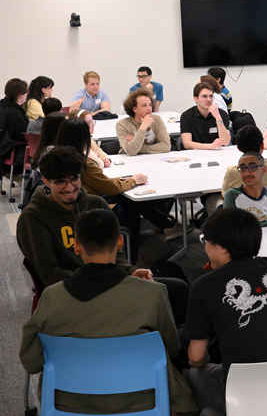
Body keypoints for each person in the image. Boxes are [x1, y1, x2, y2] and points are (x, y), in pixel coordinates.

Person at [19, 209, 197, 415]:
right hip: (142, 398)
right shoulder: (153, 294)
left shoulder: (51, 297)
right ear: (120, 242)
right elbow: (171, 348)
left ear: (76, 246)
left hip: (69, 401)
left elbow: (31, 361)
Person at [186, 208, 267, 413]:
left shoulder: (204, 285)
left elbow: (197, 357)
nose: (205, 247)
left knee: (192, 375)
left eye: (206, 241)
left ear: (222, 248)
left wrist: (207, 362)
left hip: (248, 392)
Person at [16, 147, 141, 288]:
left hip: (108, 282)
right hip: (72, 292)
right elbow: (49, 274)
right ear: (46, 181)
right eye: (60, 182)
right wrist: (97, 283)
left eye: (74, 178)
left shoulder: (97, 204)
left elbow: (115, 253)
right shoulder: (33, 217)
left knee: (165, 290)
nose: (69, 188)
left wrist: (131, 271)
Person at [58, 118, 179, 260]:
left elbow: (105, 182)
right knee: (131, 208)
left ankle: (164, 224)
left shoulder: (61, 156)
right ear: (83, 137)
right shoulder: (83, 163)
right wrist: (133, 180)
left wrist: (126, 181)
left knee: (128, 198)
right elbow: (110, 187)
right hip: (89, 208)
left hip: (78, 203)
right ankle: (132, 259)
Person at [223, 153, 267, 226]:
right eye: (242, 168)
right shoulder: (232, 196)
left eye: (252, 167)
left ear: (263, 170)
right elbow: (229, 229)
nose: (247, 173)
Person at [116, 88, 171, 155]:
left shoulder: (157, 120)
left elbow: (166, 146)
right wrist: (143, 127)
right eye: (144, 105)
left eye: (150, 105)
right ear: (134, 109)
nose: (149, 109)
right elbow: (131, 151)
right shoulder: (122, 125)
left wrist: (140, 148)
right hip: (130, 161)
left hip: (152, 159)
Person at [180, 82, 231, 150]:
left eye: (211, 96)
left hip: (217, 153)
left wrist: (218, 118)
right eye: (204, 96)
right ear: (196, 99)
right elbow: (187, 143)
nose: (209, 100)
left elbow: (226, 142)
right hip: (196, 153)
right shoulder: (186, 116)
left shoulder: (221, 114)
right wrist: (210, 146)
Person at [0, 78, 29, 168]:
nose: (27, 95)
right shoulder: (15, 113)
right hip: (12, 152)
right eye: (26, 93)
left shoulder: (3, 107)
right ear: (20, 95)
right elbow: (21, 135)